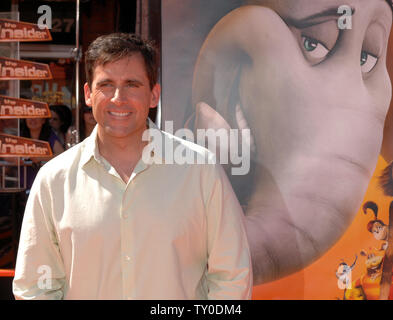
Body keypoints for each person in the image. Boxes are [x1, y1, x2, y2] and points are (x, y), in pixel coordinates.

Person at [12, 33, 252, 300]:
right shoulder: (53, 180)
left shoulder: (200, 171)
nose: (118, 98)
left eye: (132, 84)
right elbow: (35, 287)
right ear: (89, 95)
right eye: (106, 85)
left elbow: (231, 275)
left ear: (154, 95)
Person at [20, 118, 64, 190]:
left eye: (37, 116)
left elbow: (62, 155)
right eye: (29, 116)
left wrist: (40, 158)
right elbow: (7, 156)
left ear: (43, 120)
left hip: (45, 186)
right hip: (22, 187)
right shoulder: (19, 135)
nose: (33, 120)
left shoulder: (50, 135)